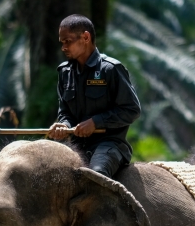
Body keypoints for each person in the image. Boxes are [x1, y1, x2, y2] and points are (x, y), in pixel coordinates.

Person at [47, 14, 141, 178]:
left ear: (85, 37)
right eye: (62, 42)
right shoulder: (64, 72)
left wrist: (96, 122)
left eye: (67, 41)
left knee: (95, 176)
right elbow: (65, 112)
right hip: (76, 145)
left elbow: (132, 110)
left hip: (110, 144)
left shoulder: (111, 69)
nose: (63, 47)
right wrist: (63, 125)